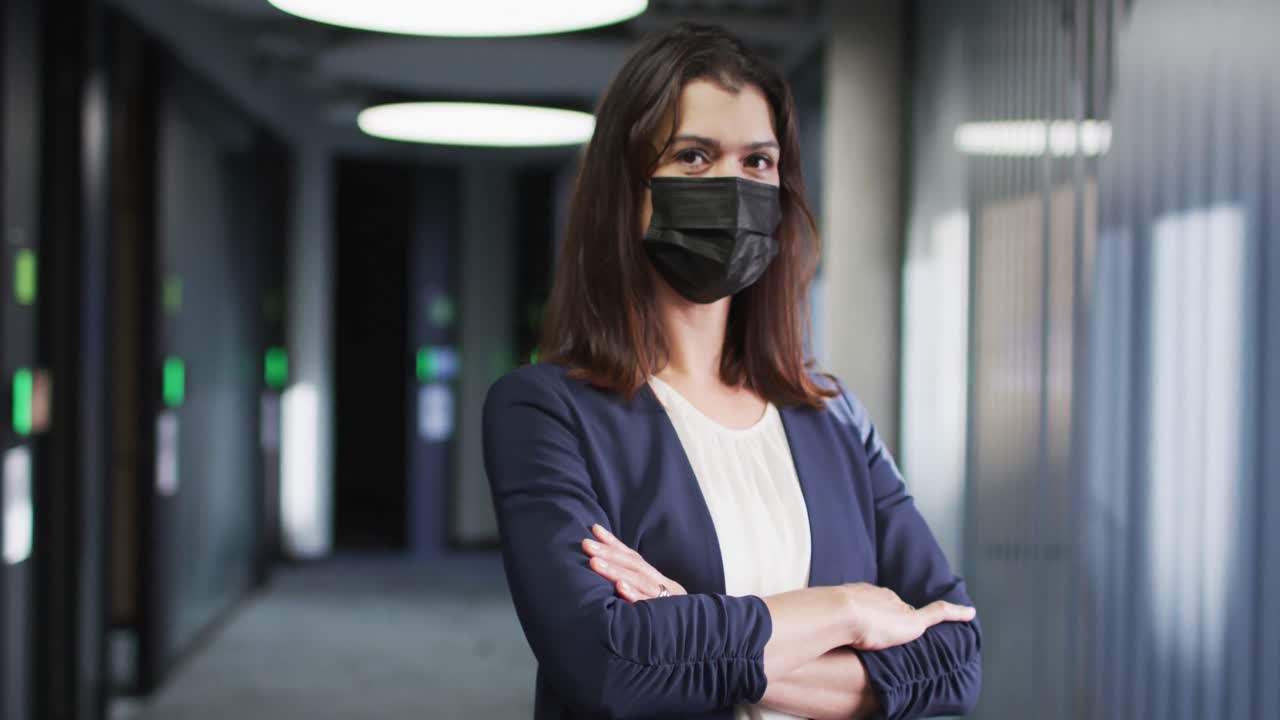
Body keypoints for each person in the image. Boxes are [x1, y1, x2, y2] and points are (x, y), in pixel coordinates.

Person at [482, 22, 981, 720]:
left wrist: (689, 626)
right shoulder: (544, 411)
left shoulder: (834, 416)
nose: (731, 185)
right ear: (628, 189)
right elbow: (608, 666)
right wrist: (849, 611)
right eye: (693, 156)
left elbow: (954, 663)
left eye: (757, 162)